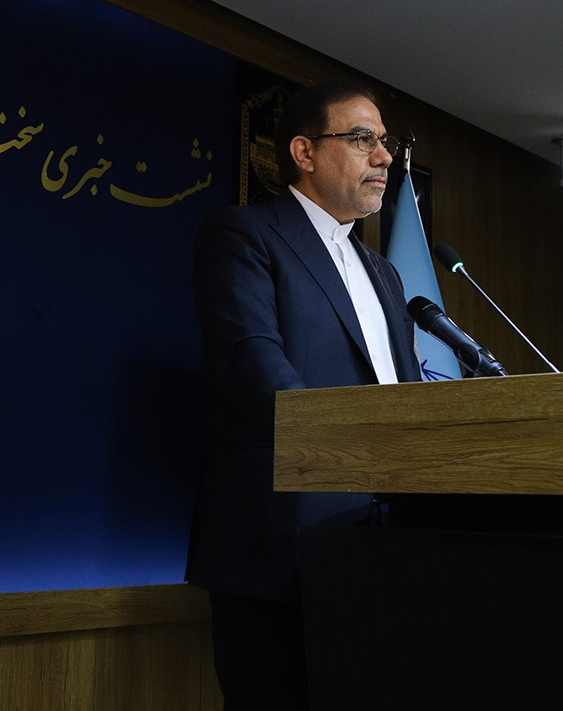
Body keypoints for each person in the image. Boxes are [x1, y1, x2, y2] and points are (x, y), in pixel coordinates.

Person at [189, 80, 423, 710]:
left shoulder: (384, 272)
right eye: (364, 139)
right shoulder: (244, 235)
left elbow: (402, 392)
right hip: (285, 546)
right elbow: (253, 366)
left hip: (389, 546)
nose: (385, 157)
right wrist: (358, 456)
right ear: (304, 152)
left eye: (387, 142)